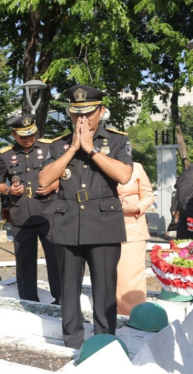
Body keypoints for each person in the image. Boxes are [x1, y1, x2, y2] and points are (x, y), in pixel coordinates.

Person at [39, 84, 133, 349]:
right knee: (69, 288)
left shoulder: (116, 141)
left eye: (88, 113)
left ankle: (104, 343)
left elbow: (124, 176)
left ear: (101, 111)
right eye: (75, 114)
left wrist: (91, 150)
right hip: (68, 221)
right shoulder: (58, 145)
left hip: (103, 223)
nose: (81, 119)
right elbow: (44, 178)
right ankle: (72, 342)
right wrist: (72, 149)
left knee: (104, 288)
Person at [0, 114, 61, 304]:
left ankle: (61, 297)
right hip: (21, 214)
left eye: (32, 134)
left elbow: (65, 174)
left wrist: (54, 185)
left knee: (55, 257)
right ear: (14, 135)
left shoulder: (49, 148)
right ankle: (29, 299)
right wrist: (8, 190)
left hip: (48, 212)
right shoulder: (6, 155)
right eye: (23, 136)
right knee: (24, 260)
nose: (29, 139)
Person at [116, 162, 153, 316]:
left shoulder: (136, 167)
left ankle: (133, 315)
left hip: (133, 228)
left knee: (131, 276)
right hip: (104, 227)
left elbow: (148, 195)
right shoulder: (98, 165)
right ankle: (114, 313)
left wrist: (137, 207)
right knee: (111, 276)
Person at [174, 167, 193, 240]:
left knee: (184, 237)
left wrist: (176, 208)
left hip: (183, 208)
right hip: (190, 206)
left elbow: (177, 191)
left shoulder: (184, 173)